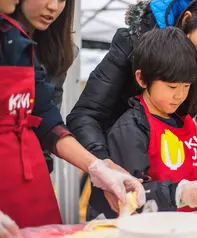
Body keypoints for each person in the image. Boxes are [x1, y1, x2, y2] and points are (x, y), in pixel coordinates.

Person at [67, 0, 197, 206]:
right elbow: (85, 115)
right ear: (187, 21)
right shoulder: (135, 44)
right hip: (124, 176)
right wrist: (105, 164)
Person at [0, 0, 145, 232]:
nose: (54, 7)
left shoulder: (16, 41)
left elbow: (47, 119)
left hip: (31, 179)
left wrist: (97, 167)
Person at [12, 0, 78, 173]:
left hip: (29, 166)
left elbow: (47, 114)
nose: (53, 7)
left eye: (62, 0)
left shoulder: (60, 52)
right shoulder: (8, 43)